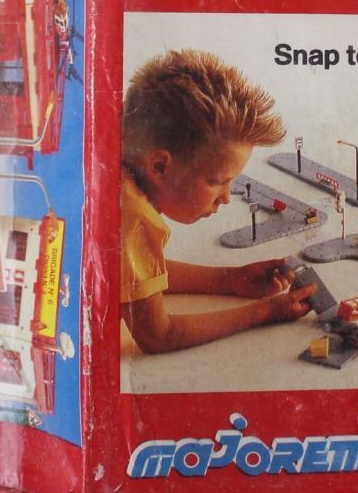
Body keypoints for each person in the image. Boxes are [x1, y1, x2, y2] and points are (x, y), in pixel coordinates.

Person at [121, 48, 315, 353]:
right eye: (217, 181)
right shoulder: (133, 216)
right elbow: (159, 335)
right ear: (159, 167)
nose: (225, 198)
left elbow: (134, 270)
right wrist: (267, 311)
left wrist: (228, 280)